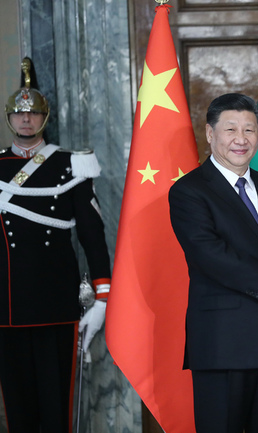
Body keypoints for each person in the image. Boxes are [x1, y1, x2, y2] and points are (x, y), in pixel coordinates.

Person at [168, 93, 258, 433]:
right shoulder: (189, 191)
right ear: (209, 133)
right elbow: (209, 254)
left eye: (249, 130)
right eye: (231, 129)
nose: (241, 139)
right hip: (223, 344)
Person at [0, 57, 111, 432]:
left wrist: (103, 296)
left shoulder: (71, 164)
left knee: (56, 406)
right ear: (9, 118)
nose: (25, 120)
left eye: (33, 114)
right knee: (18, 407)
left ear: (44, 118)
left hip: (55, 304)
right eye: (19, 114)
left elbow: (93, 236)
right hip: (6, 306)